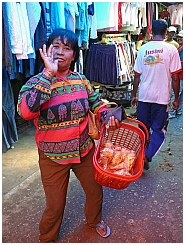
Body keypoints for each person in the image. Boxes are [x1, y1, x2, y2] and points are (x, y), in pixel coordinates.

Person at [17, 28, 120, 242]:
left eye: (67, 48)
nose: (61, 52)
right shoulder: (34, 83)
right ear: (45, 50)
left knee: (95, 192)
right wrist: (48, 74)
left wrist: (106, 115)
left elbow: (95, 103)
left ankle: (94, 221)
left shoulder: (80, 80)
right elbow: (26, 112)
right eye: (56, 46)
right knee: (55, 206)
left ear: (74, 55)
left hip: (84, 151)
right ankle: (47, 237)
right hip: (52, 157)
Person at [131, 19, 181, 170]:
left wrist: (134, 95)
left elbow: (137, 76)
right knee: (159, 130)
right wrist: (177, 98)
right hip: (161, 98)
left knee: (143, 129)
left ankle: (141, 155)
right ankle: (146, 155)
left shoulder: (143, 49)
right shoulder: (171, 49)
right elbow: (176, 77)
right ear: (166, 33)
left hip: (144, 96)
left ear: (151, 31)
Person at [168, 30, 183, 118]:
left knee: (176, 93)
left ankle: (172, 111)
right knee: (180, 94)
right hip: (181, 75)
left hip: (179, 75)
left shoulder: (182, 48)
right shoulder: (180, 47)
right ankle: (178, 110)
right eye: (179, 37)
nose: (179, 39)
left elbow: (181, 63)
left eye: (181, 37)